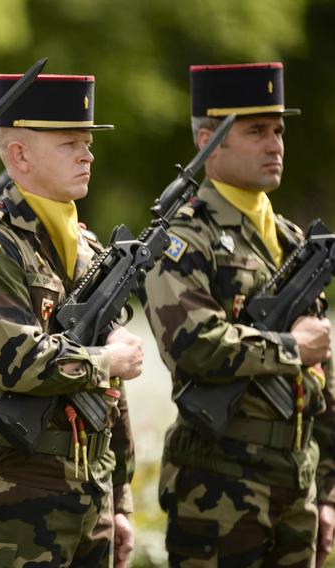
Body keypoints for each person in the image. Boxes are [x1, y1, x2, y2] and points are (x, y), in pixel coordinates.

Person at [0, 73, 140, 567]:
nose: (87, 154)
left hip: (93, 488)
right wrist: (107, 359)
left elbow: (112, 397)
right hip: (18, 495)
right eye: (70, 142)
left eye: (88, 142)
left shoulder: (91, 250)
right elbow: (18, 362)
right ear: (21, 156)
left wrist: (121, 497)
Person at [143, 61, 335, 567]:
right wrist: (291, 348)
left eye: (278, 131)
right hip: (219, 488)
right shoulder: (184, 239)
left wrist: (329, 489)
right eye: (256, 131)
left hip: (297, 486)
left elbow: (323, 373)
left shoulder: (293, 241)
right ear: (209, 141)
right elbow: (193, 345)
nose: (275, 144)